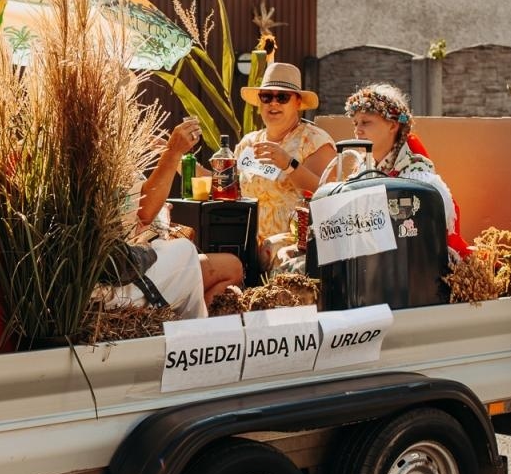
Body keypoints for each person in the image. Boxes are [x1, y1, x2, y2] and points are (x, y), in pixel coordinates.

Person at [102, 116, 245, 318]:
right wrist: (173, 152)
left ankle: (196, 323)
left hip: (133, 264)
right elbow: (144, 214)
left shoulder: (114, 166)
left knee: (229, 265)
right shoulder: (102, 168)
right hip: (123, 279)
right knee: (186, 251)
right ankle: (195, 329)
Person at [343, 82, 470, 259]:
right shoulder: (361, 171)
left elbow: (436, 226)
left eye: (366, 122)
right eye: (355, 123)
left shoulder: (417, 175)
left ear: (392, 126)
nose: (358, 130)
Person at [236, 63, 336, 269]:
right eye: (266, 97)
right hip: (246, 239)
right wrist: (177, 157)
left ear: (297, 102)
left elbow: (325, 193)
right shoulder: (248, 142)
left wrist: (289, 165)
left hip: (294, 242)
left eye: (282, 97)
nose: (273, 103)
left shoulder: (314, 140)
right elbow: (225, 185)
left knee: (271, 251)